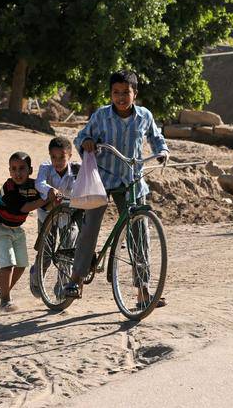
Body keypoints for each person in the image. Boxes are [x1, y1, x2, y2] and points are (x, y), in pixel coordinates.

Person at [64, 70, 169, 307]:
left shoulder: (144, 116)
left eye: (126, 93)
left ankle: (143, 291)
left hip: (131, 179)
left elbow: (156, 138)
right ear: (111, 94)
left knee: (139, 234)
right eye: (116, 93)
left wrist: (162, 151)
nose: (121, 97)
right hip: (101, 180)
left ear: (135, 94)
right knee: (90, 227)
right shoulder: (101, 115)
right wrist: (87, 143)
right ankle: (76, 279)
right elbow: (81, 138)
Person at [0, 152, 49, 311]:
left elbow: (44, 200)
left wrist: (52, 195)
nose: (18, 173)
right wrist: (46, 198)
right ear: (9, 171)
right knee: (7, 265)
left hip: (16, 229)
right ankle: (5, 301)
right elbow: (25, 207)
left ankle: (4, 291)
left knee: (21, 265)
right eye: (13, 169)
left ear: (30, 170)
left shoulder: (34, 186)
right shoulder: (9, 187)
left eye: (22, 168)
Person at [29, 137, 80, 298]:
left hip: (69, 217)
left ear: (70, 156)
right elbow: (39, 183)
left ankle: (62, 289)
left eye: (62, 157)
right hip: (47, 216)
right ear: (49, 156)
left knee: (67, 252)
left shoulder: (78, 170)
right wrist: (51, 190)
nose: (57, 161)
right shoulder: (46, 167)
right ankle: (36, 277)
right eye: (54, 157)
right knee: (46, 252)